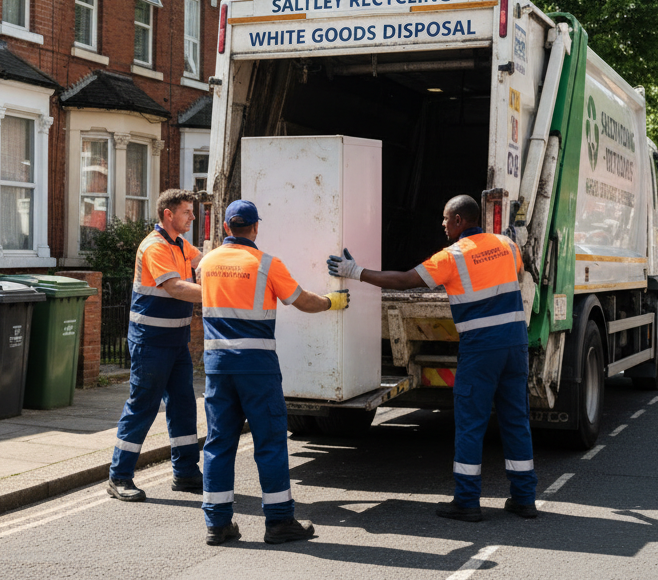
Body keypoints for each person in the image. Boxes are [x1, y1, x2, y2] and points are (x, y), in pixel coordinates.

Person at [327, 195, 538, 521]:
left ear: (458, 221)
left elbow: (404, 281)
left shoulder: (452, 257)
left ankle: (467, 502)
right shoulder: (507, 245)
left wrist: (356, 272)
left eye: (444, 219)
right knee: (515, 420)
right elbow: (517, 268)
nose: (441, 225)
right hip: (515, 345)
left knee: (470, 424)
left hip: (481, 349)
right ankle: (524, 499)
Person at [198, 200, 351, 546]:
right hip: (257, 368)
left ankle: (218, 524)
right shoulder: (266, 264)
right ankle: (280, 521)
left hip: (218, 367)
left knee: (219, 443)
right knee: (268, 442)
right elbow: (303, 301)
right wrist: (333, 301)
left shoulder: (206, 263)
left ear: (225, 227)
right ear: (254, 228)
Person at [106, 189, 204, 503]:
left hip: (175, 342)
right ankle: (119, 477)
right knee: (142, 407)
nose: (191, 217)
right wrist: (220, 293)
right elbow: (175, 288)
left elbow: (204, 262)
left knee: (184, 406)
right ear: (168, 214)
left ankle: (186, 473)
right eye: (187, 212)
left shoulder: (180, 244)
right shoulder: (155, 246)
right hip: (151, 343)